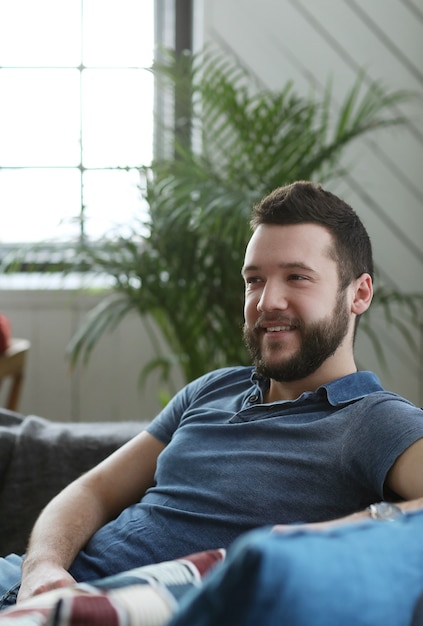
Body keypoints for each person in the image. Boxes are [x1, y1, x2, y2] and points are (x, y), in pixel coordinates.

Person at [1, 180, 423, 610]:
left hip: (117, 610)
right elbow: (95, 490)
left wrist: (328, 533)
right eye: (254, 281)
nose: (267, 301)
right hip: (28, 580)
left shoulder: (374, 420)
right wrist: (43, 567)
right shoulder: (215, 387)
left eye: (297, 277)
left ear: (360, 293)